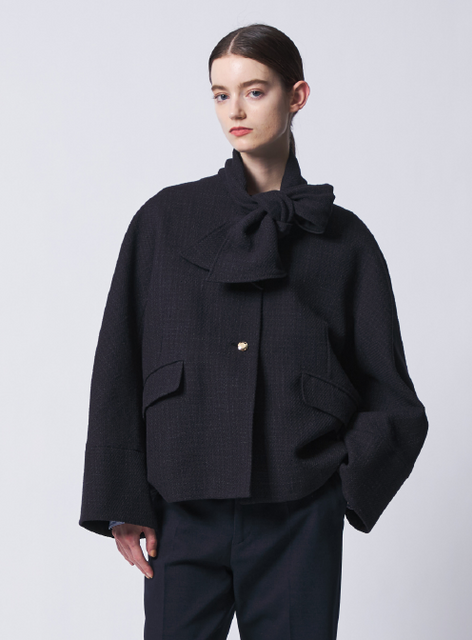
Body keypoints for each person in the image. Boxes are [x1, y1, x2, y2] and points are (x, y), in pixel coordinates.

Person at [80, 23, 428, 640]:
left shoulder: (344, 242)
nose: (235, 111)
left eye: (255, 91)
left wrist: (338, 490)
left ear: (297, 96)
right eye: (221, 94)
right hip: (180, 509)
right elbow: (118, 365)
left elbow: (391, 394)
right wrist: (121, 502)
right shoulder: (164, 221)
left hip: (299, 511)